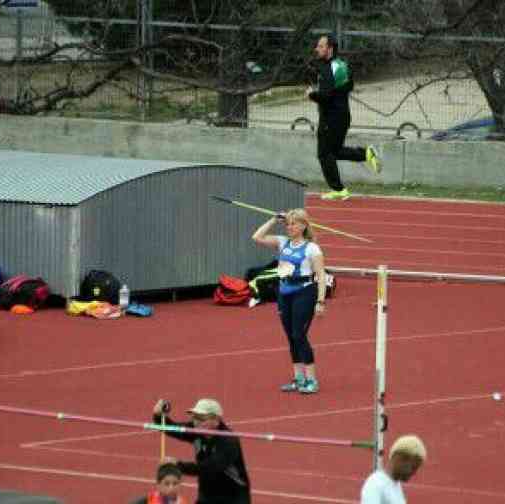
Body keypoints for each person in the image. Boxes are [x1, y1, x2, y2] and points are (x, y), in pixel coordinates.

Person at [252, 208, 326, 394]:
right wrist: (273, 219)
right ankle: (298, 379)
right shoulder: (283, 242)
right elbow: (257, 237)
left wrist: (321, 301)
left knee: (299, 335)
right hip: (284, 293)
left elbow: (321, 276)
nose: (290, 227)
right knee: (290, 337)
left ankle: (311, 380)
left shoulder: (311, 248)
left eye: (294, 224)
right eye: (288, 224)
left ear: (303, 226)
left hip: (304, 292)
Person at [307, 34, 381, 201]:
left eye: (320, 46)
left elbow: (326, 96)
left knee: (324, 154)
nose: (316, 49)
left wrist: (312, 95)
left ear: (330, 49)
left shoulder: (327, 69)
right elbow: (349, 86)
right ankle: (366, 154)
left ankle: (339, 189)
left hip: (330, 118)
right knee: (335, 151)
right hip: (343, 116)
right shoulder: (342, 65)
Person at [151, 398, 250, 504]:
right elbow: (171, 428)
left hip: (233, 498)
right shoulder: (196, 429)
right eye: (194, 417)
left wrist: (178, 465)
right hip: (207, 495)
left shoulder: (228, 441)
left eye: (201, 418)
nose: (196, 422)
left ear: (216, 420)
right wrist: (158, 416)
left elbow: (210, 467)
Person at [360, 435, 427, 504]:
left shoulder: (395, 485)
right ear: (399, 458)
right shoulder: (376, 484)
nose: (414, 473)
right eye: (413, 467)